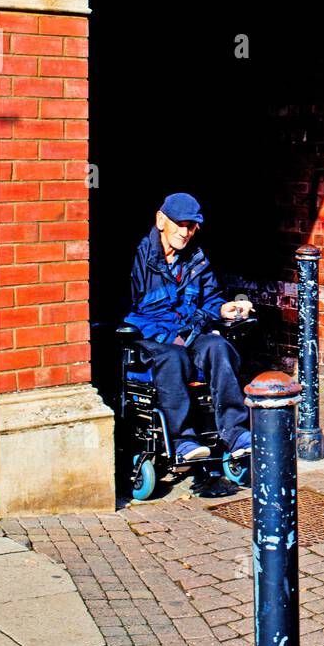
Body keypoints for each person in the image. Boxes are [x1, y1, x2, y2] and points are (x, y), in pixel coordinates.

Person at [125, 192, 254, 466]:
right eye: (179, 224)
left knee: (219, 348)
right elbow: (124, 311)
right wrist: (168, 336)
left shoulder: (196, 259)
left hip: (189, 331)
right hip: (149, 337)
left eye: (191, 226)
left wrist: (223, 309)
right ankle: (183, 440)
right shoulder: (137, 257)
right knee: (174, 356)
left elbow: (209, 299)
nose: (185, 233)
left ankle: (236, 434)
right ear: (161, 220)